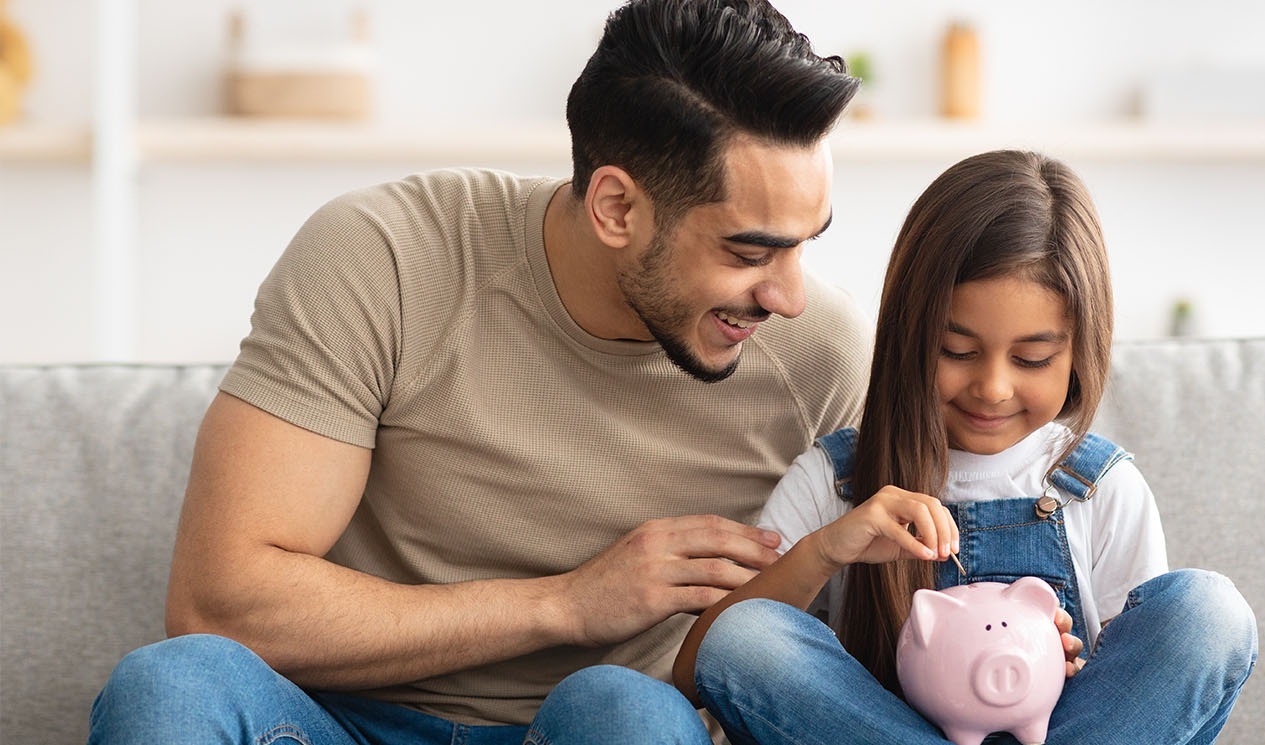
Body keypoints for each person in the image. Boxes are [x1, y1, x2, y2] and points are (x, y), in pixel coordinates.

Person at [88, 1, 865, 743]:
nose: (790, 296)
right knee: (170, 684)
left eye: (806, 243)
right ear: (617, 208)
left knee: (624, 708)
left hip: (607, 727)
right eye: (749, 252)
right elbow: (219, 603)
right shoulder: (386, 258)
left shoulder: (824, 357)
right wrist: (566, 603)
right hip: (340, 722)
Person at [674, 150, 1259, 744]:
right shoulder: (837, 481)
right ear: (910, 333)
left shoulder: (1099, 488)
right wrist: (824, 552)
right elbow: (705, 665)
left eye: (1032, 359)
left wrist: (1068, 666)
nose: (993, 387)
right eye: (957, 351)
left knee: (1206, 612)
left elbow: (1132, 699)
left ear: (1080, 351)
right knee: (746, 635)